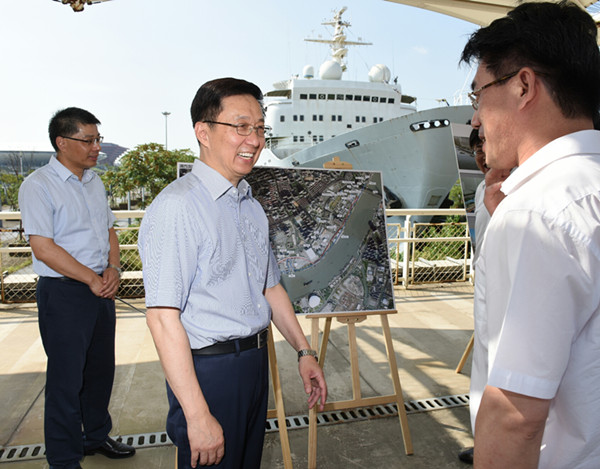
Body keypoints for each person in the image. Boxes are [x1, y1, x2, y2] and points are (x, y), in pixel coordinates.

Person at [138, 77, 327, 469]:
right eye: (241, 126)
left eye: (260, 128)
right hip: (209, 372)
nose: (255, 140)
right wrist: (196, 414)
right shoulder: (178, 208)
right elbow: (161, 317)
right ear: (203, 132)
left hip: (256, 363)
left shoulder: (250, 205)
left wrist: (304, 351)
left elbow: (270, 286)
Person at [460, 1, 600, 467]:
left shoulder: (536, 213)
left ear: (523, 85)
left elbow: (516, 414)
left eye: (478, 94)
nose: (475, 118)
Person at [18, 107, 135, 469]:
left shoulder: (94, 181)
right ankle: (65, 459)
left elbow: (110, 231)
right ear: (62, 142)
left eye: (97, 139)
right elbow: (43, 248)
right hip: (65, 294)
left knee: (100, 371)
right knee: (66, 381)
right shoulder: (38, 186)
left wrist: (114, 268)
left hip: (100, 289)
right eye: (88, 140)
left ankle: (95, 436)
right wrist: (91, 278)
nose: (96, 147)